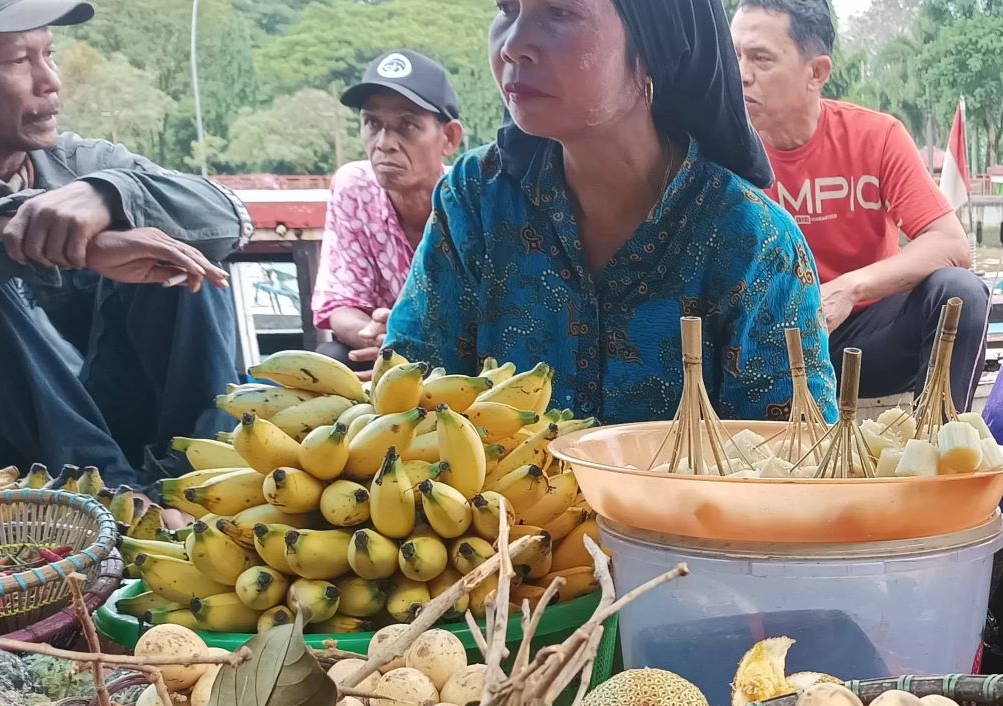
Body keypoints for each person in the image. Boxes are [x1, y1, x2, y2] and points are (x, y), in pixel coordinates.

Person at [384, 0, 832, 423]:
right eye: (506, 8)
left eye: (559, 11)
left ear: (649, 50)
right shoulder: (476, 199)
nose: (513, 43)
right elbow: (405, 397)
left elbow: (796, 467)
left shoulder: (753, 243)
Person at [0, 0, 249, 488]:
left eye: (48, 54)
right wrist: (43, 237)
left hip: (109, 420)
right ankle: (113, 499)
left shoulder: (83, 164)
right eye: (17, 60)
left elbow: (227, 216)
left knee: (175, 247)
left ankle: (198, 480)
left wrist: (107, 196)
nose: (50, 81)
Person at [732, 0, 986, 409]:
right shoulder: (721, 153)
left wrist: (849, 288)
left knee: (960, 293)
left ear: (817, 72)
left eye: (760, 58)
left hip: (860, 339)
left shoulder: (877, 136)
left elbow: (951, 245)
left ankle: (937, 449)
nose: (741, 75)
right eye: (735, 56)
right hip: (766, 348)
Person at [310, 50, 465, 365]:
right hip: (384, 350)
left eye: (406, 126)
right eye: (371, 123)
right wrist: (380, 334)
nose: (383, 143)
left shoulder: (470, 198)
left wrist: (414, 341)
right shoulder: (354, 187)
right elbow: (340, 304)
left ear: (448, 138)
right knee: (331, 358)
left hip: (458, 355)